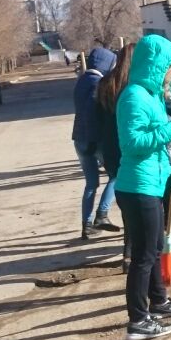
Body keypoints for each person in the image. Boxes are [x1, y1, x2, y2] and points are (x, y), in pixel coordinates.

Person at [116, 34, 171, 340]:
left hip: (152, 182)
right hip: (137, 187)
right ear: (157, 66)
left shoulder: (151, 94)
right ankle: (138, 320)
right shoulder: (133, 97)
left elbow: (158, 137)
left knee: (155, 246)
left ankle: (159, 301)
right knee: (144, 255)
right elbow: (132, 143)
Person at [71, 47, 121, 240]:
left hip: (79, 139)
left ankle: (86, 225)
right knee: (116, 174)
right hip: (93, 139)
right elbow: (91, 114)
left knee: (91, 184)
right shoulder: (96, 83)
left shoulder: (82, 80)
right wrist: (93, 140)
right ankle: (102, 213)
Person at [97, 42, 135, 271]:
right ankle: (132, 255)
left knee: (125, 205)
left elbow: (97, 118)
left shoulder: (105, 83)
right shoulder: (132, 87)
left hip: (109, 148)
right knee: (137, 207)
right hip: (126, 148)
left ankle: (127, 256)